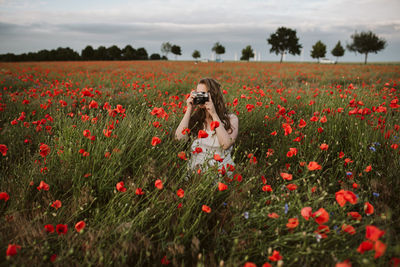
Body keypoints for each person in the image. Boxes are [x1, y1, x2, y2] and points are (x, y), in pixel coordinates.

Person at [175, 78, 239, 177]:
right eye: (197, 93)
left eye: (203, 94)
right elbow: (179, 139)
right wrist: (189, 109)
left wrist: (213, 113)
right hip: (196, 172)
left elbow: (226, 144)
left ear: (213, 95)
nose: (199, 97)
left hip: (221, 172)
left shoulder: (231, 119)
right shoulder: (195, 120)